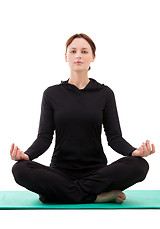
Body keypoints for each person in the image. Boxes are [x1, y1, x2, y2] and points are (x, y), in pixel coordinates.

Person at [10, 33, 155, 204]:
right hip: (60, 172)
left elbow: (114, 138)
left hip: (97, 172)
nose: (78, 55)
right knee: (20, 169)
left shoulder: (105, 93)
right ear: (66, 57)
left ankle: (58, 194)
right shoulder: (51, 94)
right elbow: (44, 138)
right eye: (73, 51)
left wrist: (134, 152)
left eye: (84, 51)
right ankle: (95, 196)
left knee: (139, 165)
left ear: (93, 57)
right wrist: (26, 156)